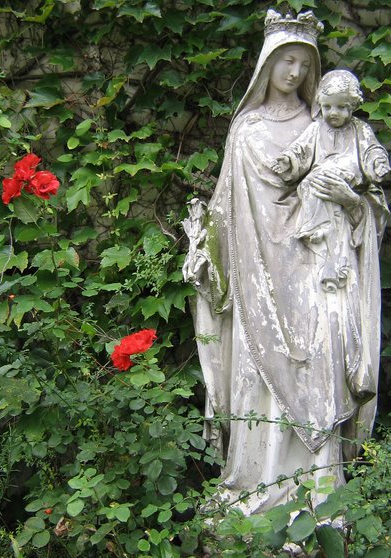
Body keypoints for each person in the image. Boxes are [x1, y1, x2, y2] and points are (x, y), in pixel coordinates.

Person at [183, 9, 389, 515]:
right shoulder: (246, 129)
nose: (295, 72)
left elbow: (370, 203)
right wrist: (207, 250)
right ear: (267, 63)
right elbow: (228, 208)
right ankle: (256, 482)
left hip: (320, 271)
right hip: (258, 277)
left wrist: (349, 200)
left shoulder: (331, 125)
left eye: (304, 63)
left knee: (322, 362)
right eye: (286, 60)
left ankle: (317, 495)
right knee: (259, 374)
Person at [270, 69, 390, 294]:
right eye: (327, 107)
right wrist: (288, 161)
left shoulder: (360, 130)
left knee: (338, 232)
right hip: (320, 183)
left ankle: (335, 261)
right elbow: (300, 150)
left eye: (341, 107)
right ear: (320, 104)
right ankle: (314, 229)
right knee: (309, 186)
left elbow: (372, 151)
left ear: (353, 106)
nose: (333, 113)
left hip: (348, 180)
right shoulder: (316, 129)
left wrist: (377, 165)